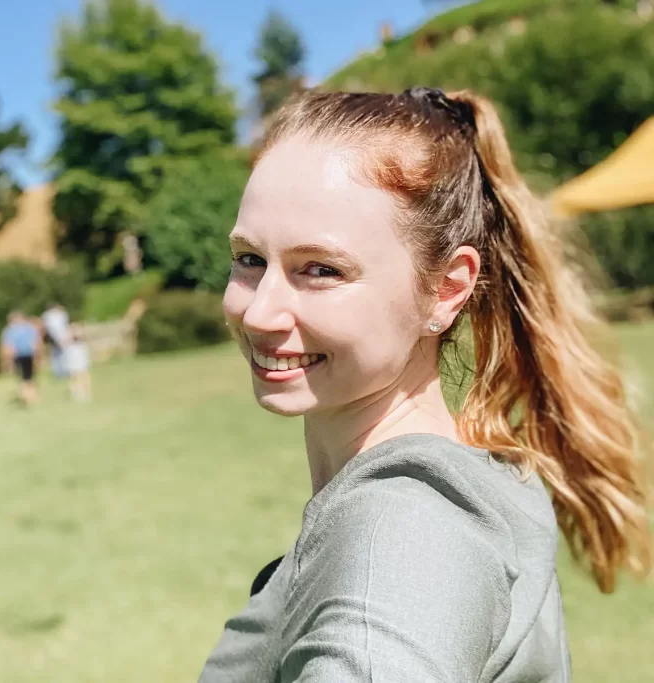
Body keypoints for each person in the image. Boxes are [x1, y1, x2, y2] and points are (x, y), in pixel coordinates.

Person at [199, 87, 650, 682]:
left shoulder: (405, 529)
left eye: (321, 270)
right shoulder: (465, 484)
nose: (259, 313)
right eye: (249, 259)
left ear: (446, 289)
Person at [0, 310, 41, 406]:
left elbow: (36, 342)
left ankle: (29, 396)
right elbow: (7, 346)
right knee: (24, 377)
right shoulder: (12, 330)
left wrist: (37, 354)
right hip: (18, 356)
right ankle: (28, 396)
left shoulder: (25, 329)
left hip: (27, 355)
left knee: (28, 376)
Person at [41, 302, 71, 378]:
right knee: (55, 355)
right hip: (52, 338)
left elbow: (65, 327)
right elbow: (47, 328)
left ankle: (65, 371)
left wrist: (66, 337)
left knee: (64, 355)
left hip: (63, 338)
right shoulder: (47, 316)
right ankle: (58, 372)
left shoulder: (62, 315)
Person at [64, 322, 92, 402]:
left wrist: (77, 334)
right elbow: (65, 342)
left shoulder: (81, 340)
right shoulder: (68, 336)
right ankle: (76, 392)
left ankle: (85, 392)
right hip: (72, 357)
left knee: (83, 374)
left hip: (80, 357)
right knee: (74, 375)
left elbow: (83, 338)